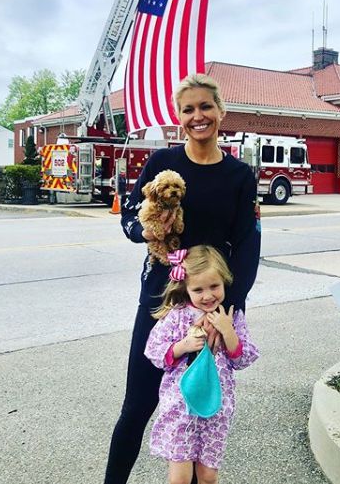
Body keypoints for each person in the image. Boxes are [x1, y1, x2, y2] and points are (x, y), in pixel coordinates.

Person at [103, 73, 261, 484]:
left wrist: (230, 307)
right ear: (179, 116)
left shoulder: (240, 176)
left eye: (205, 106)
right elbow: (129, 218)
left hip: (211, 304)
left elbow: (247, 243)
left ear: (220, 111)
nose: (198, 116)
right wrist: (147, 232)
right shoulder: (162, 164)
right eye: (188, 109)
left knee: (199, 407)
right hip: (161, 299)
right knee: (137, 405)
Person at [144, 245, 259, 484]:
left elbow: (244, 358)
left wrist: (229, 332)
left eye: (214, 286)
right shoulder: (177, 315)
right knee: (180, 478)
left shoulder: (232, 317)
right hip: (180, 406)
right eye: (198, 289)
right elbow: (153, 349)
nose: (207, 296)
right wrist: (183, 345)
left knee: (208, 476)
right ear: (186, 289)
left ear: (224, 282)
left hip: (217, 407)